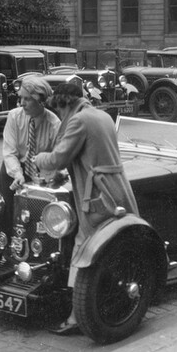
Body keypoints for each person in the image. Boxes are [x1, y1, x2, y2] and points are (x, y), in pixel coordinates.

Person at [33, 82, 139, 335]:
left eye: (59, 110)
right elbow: (91, 155)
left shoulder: (78, 120)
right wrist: (66, 176)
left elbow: (59, 157)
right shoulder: (101, 115)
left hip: (97, 195)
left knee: (83, 247)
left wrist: (38, 158)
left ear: (66, 103)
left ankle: (76, 316)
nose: (60, 115)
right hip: (117, 187)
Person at [0, 76, 60, 231]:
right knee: (5, 210)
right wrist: (17, 174)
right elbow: (9, 152)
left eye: (27, 99)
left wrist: (46, 176)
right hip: (13, 169)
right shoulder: (14, 116)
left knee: (35, 215)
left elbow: (57, 158)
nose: (22, 103)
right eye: (21, 98)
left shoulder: (54, 124)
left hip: (41, 173)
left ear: (41, 101)